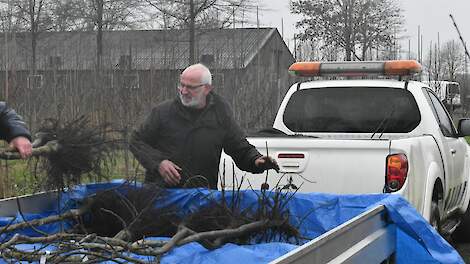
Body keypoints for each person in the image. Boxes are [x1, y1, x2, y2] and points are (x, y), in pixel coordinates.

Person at [130, 63, 279, 189]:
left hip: (201, 197)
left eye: (190, 87)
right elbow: (137, 141)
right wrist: (159, 163)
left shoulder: (221, 114)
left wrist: (255, 160)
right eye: (181, 85)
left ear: (207, 89)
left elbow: (239, 147)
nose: (183, 91)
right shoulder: (163, 112)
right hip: (162, 195)